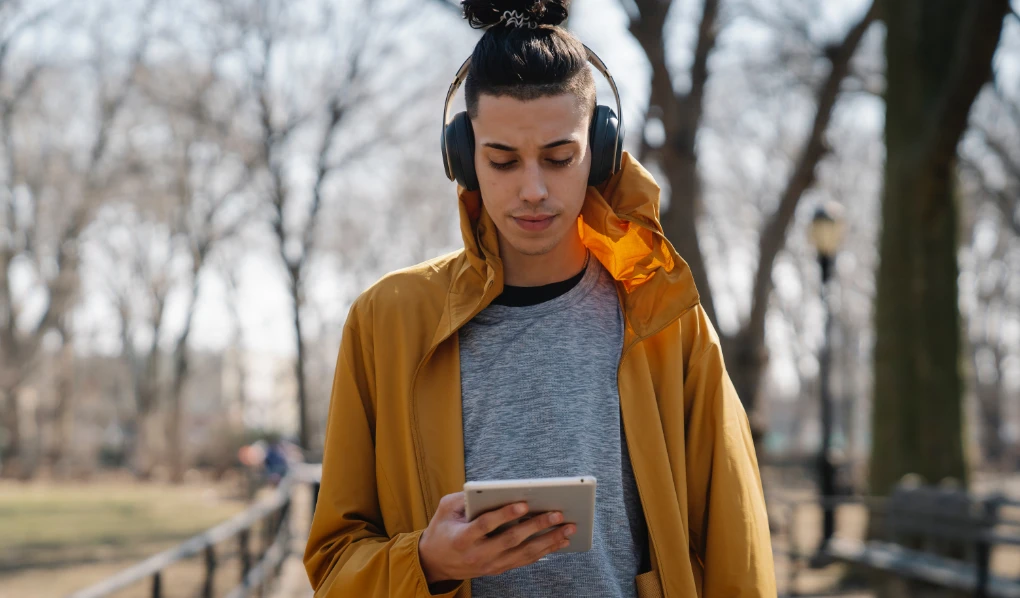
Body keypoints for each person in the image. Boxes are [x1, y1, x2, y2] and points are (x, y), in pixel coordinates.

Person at [303, 1, 775, 596]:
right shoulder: (385, 321)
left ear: (601, 153)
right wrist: (426, 562)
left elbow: (737, 546)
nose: (533, 190)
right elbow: (333, 562)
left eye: (559, 158)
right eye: (502, 160)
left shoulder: (664, 316)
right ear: (463, 159)